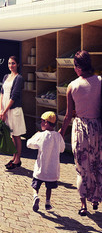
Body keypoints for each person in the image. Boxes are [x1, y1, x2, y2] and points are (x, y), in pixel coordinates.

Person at [60, 50, 102, 216]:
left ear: (78, 67)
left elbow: (68, 115)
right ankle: (96, 199)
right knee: (96, 164)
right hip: (97, 128)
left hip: (80, 129)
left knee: (81, 168)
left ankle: (83, 205)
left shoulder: (72, 86)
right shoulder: (100, 81)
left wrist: (61, 132)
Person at [27, 111, 65, 212]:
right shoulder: (58, 136)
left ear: (46, 123)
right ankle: (47, 203)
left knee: (35, 186)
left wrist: (35, 136)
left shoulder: (41, 135)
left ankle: (35, 196)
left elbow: (29, 144)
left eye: (42, 121)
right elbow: (62, 149)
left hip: (41, 168)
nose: (41, 123)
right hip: (52, 170)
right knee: (49, 187)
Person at [0, 56, 26, 170]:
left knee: (16, 135)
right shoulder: (6, 77)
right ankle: (14, 156)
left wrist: (5, 111)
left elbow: (14, 96)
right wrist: (1, 110)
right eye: (9, 63)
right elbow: (2, 93)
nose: (11, 65)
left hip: (14, 110)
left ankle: (17, 159)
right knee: (11, 136)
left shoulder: (19, 78)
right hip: (5, 110)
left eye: (13, 63)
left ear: (18, 64)